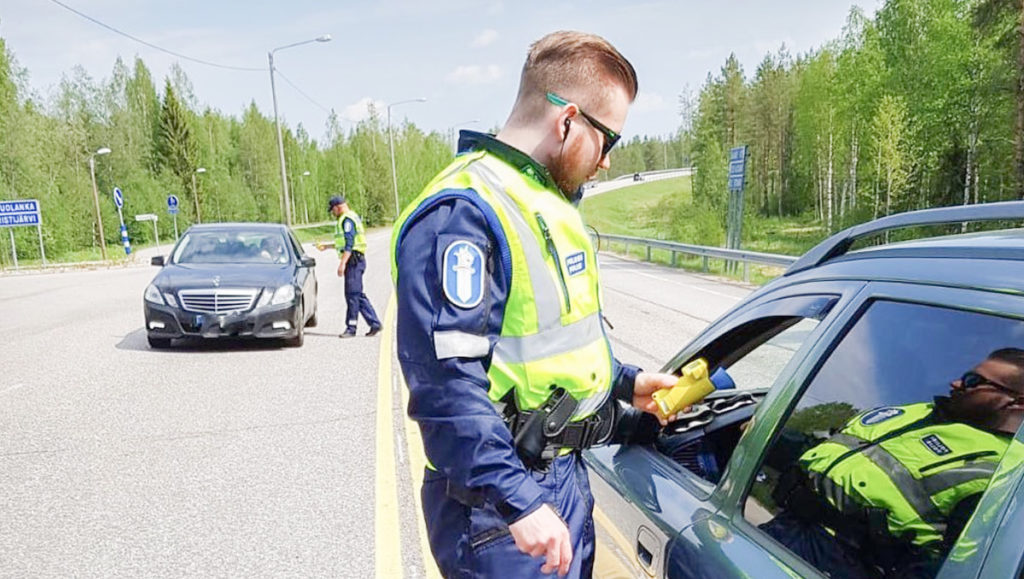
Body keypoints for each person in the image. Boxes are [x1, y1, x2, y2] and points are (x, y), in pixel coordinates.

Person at [390, 31, 677, 578]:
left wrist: (625, 382)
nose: (607, 163)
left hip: (559, 478)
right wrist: (517, 498)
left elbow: (547, 339)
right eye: (609, 140)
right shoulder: (464, 214)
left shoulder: (543, 200)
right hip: (497, 506)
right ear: (568, 121)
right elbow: (445, 387)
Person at [761, 348, 1024, 578]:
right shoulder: (917, 412)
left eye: (973, 381)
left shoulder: (1000, 471)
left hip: (830, 565)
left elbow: (957, 566)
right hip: (780, 531)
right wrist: (766, 437)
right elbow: (835, 450)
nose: (956, 383)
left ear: (1017, 402)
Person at [319, 195, 381, 337]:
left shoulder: (347, 220)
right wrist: (327, 246)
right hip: (355, 260)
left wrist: (342, 263)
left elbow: (349, 243)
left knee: (352, 295)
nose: (333, 213)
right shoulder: (351, 217)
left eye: (333, 210)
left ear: (338, 207)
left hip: (353, 261)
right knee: (357, 294)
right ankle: (374, 323)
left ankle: (351, 327)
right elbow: (343, 243)